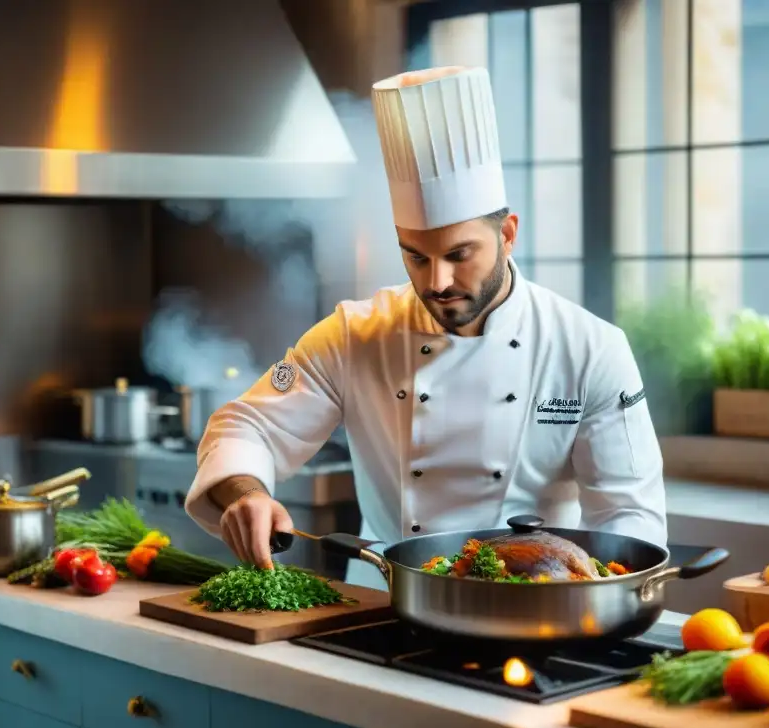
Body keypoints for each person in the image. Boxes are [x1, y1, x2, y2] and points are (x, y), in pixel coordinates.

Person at [184, 65, 667, 590]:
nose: (437, 281)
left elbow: (629, 520)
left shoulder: (590, 349)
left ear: (507, 235)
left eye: (459, 255)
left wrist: (603, 602)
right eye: (414, 257)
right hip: (382, 599)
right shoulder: (354, 334)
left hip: (535, 609)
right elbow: (246, 425)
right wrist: (247, 493)